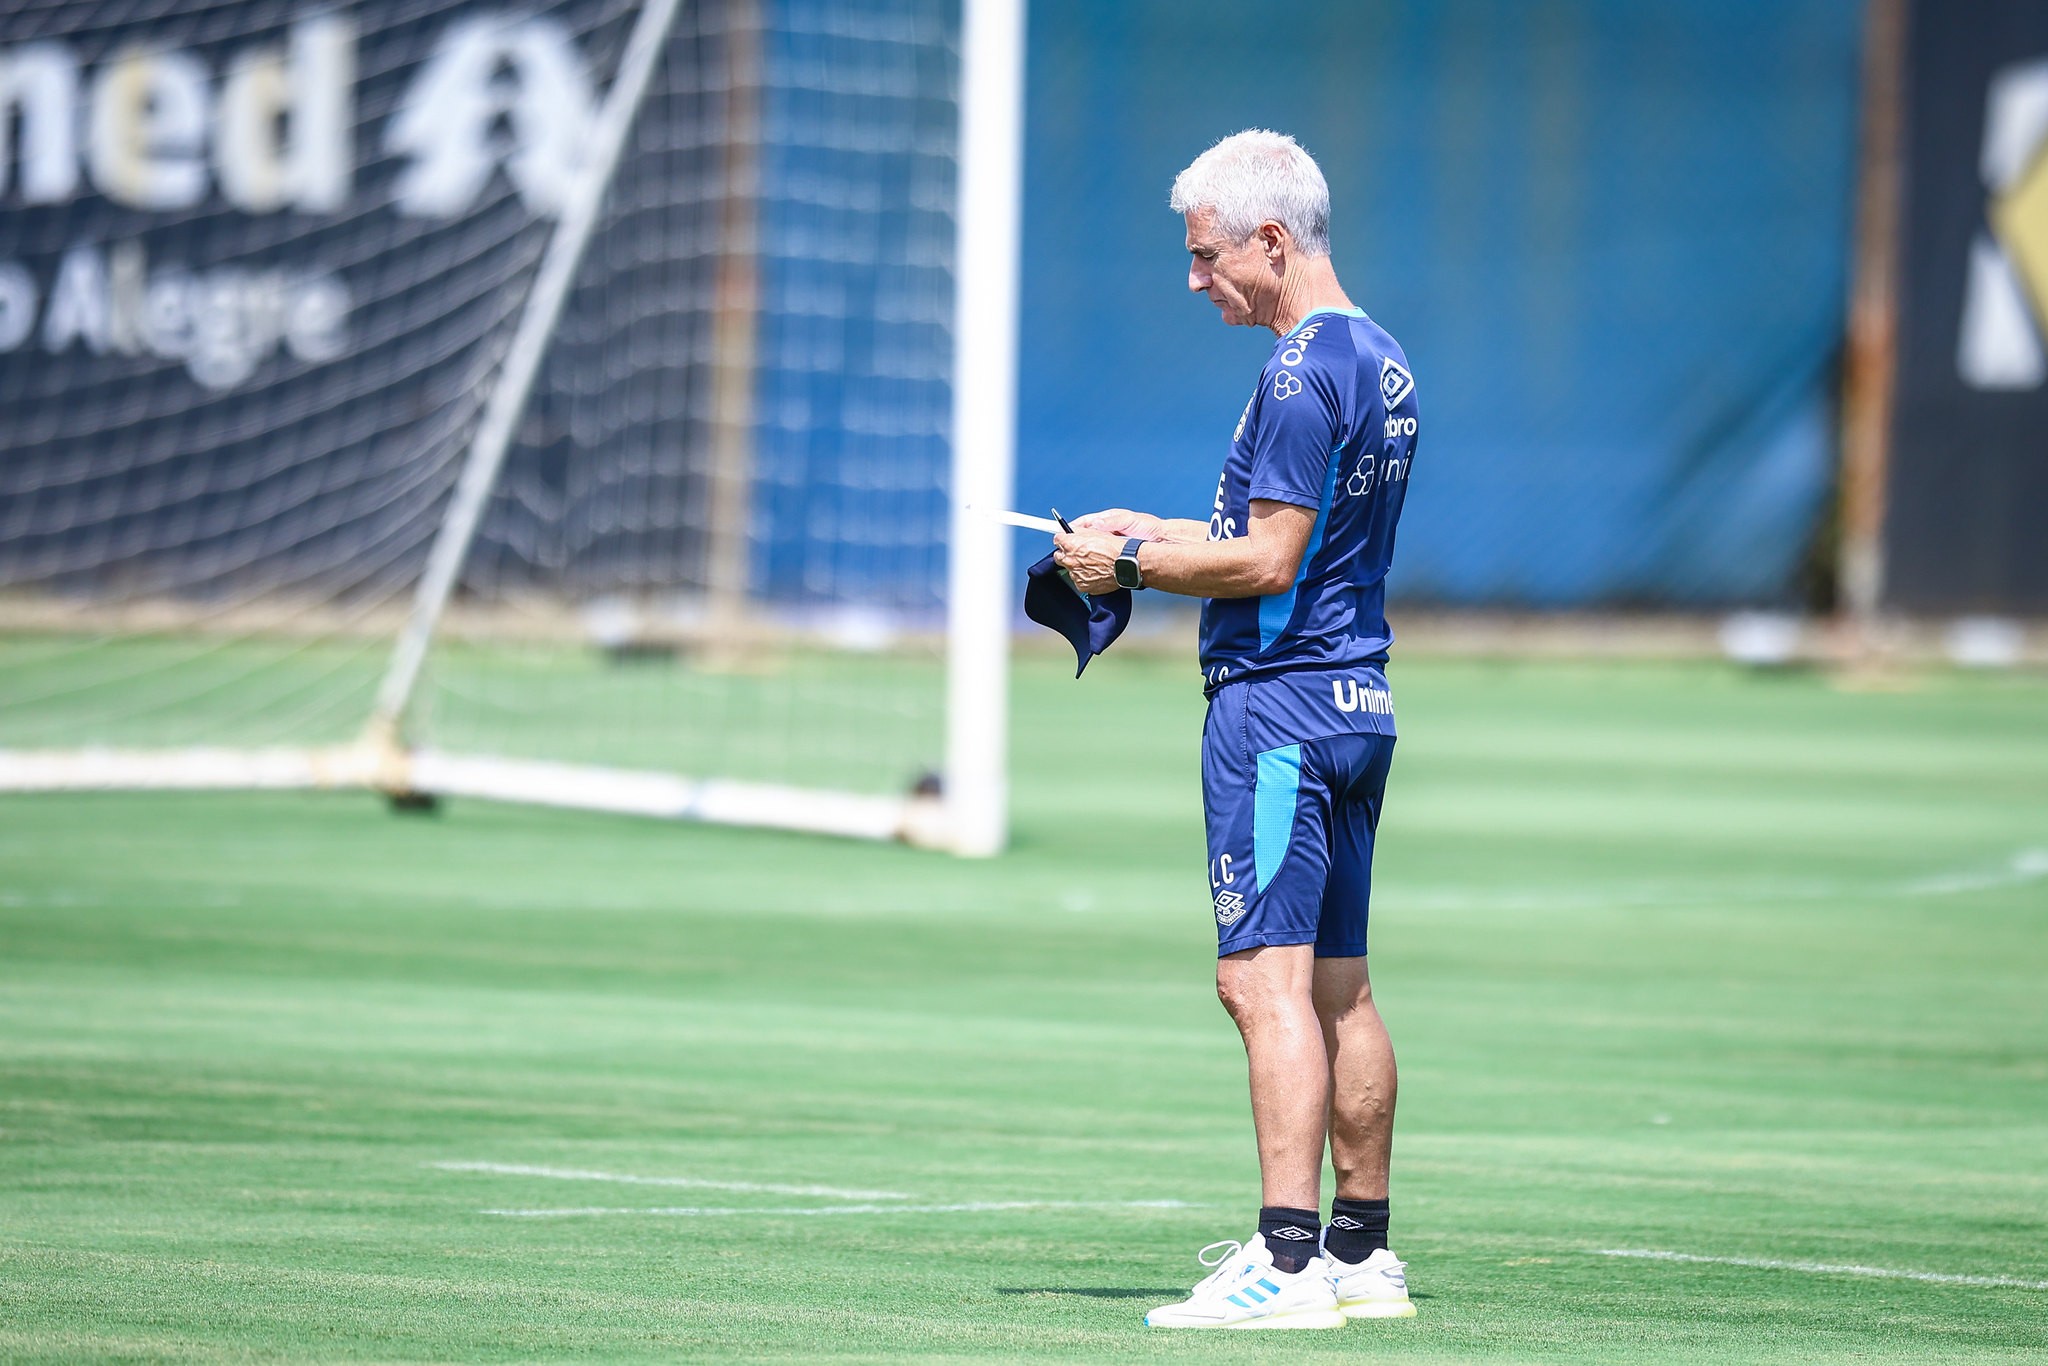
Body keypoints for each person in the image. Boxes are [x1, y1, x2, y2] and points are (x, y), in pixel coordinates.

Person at [1052, 129, 1420, 1330]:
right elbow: (1294, 540)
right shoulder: (1376, 357)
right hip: (1357, 699)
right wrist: (1142, 527)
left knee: (1254, 985)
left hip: (1277, 716)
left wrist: (1133, 565)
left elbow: (1266, 561)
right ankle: (1362, 1252)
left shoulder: (1293, 374)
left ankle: (1285, 1261)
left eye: (1206, 254)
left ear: (1271, 239)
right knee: (1337, 991)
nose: (1195, 277)